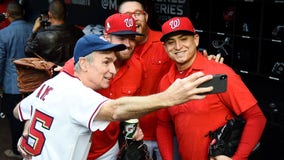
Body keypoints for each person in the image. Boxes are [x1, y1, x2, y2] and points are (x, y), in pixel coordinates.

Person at [13, 33, 214, 160]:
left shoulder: (53, 83)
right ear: (83, 63)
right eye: (106, 62)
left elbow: (17, 110)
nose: (113, 69)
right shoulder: (77, 93)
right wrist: (170, 97)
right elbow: (116, 109)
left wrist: (31, 120)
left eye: (114, 63)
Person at [156, 16, 267, 160]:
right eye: (171, 42)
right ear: (165, 47)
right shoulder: (166, 81)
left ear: (195, 40)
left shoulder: (218, 73)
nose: (178, 47)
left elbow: (256, 117)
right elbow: (163, 124)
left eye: (184, 39)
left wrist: (238, 158)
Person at [63, 13, 145, 160]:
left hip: (108, 148)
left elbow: (131, 108)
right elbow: (50, 98)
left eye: (132, 38)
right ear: (107, 37)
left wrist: (134, 128)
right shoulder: (83, 62)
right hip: (74, 146)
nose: (128, 43)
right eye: (121, 38)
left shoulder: (138, 67)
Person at [0, 1, 32, 159]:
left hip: (12, 84)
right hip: (32, 83)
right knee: (31, 117)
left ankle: (16, 150)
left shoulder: (3, 33)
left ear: (9, 15)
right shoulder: (33, 29)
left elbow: (0, 61)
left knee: (14, 118)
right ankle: (30, 148)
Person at [24, 0, 83, 67]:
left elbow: (27, 51)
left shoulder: (42, 36)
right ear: (66, 14)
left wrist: (34, 31)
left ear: (49, 14)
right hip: (71, 73)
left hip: (51, 74)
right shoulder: (78, 32)